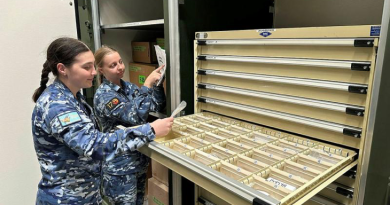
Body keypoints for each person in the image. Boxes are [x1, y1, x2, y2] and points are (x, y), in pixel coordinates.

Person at [31, 37, 173, 205]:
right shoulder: (57, 105)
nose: (93, 72)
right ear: (62, 69)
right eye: (86, 67)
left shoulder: (75, 99)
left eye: (93, 65)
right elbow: (94, 145)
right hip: (66, 199)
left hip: (86, 195)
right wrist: (150, 130)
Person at [93, 46, 167, 205]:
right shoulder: (104, 95)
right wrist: (147, 83)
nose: (120, 67)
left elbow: (155, 106)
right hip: (120, 169)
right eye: (112, 65)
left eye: (120, 62)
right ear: (101, 70)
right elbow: (135, 115)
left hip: (138, 163)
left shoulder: (129, 88)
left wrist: (158, 85)